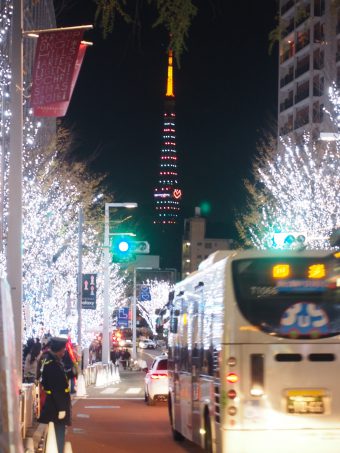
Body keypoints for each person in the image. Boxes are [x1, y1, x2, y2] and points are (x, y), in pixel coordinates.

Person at [38, 337, 71, 453]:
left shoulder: (51, 361)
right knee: (58, 434)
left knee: (55, 431)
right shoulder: (53, 364)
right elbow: (57, 388)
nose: (64, 352)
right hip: (56, 406)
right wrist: (62, 408)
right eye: (63, 349)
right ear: (58, 349)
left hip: (53, 403)